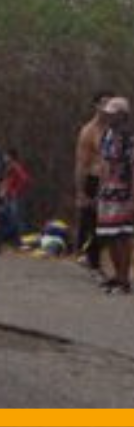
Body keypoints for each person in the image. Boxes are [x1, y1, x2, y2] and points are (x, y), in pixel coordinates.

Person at [96, 97, 134, 294]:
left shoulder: (128, 137)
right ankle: (116, 275)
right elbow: (102, 161)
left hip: (124, 191)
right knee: (108, 234)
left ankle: (124, 279)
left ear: (123, 115)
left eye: (114, 113)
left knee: (123, 234)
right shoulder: (106, 134)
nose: (109, 116)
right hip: (106, 191)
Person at [76, 91, 115, 272]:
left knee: (110, 225)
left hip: (114, 182)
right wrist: (81, 192)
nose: (107, 108)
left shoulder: (117, 128)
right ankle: (92, 261)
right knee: (93, 222)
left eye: (110, 103)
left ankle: (98, 259)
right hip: (94, 179)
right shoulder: (89, 131)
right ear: (96, 106)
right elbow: (82, 163)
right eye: (104, 103)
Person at [2, 149, 32, 242]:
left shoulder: (16, 166)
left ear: (10, 157)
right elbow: (8, 181)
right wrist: (4, 190)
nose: (4, 158)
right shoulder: (9, 167)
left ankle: (24, 240)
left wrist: (16, 190)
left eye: (5, 156)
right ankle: (15, 239)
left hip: (16, 197)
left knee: (18, 218)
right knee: (11, 218)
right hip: (9, 197)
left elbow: (26, 179)